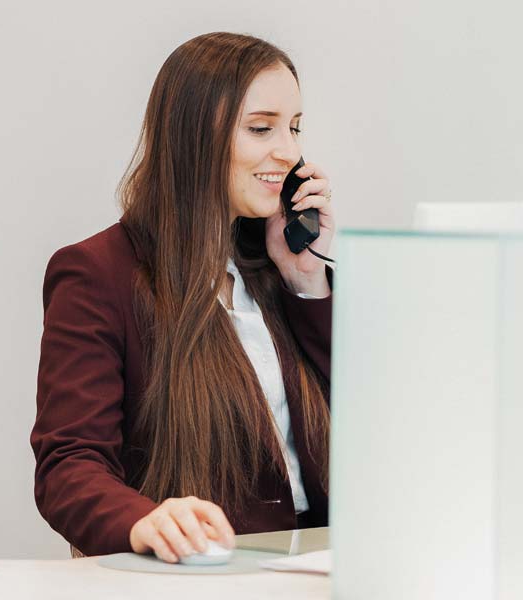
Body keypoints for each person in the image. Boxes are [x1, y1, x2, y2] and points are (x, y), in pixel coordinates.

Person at [30, 32, 335, 562]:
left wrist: (306, 281)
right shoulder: (97, 274)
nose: (289, 152)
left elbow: (375, 425)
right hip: (203, 573)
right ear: (194, 135)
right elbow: (69, 464)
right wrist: (144, 521)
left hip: (318, 568)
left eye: (294, 127)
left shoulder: (275, 269)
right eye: (261, 128)